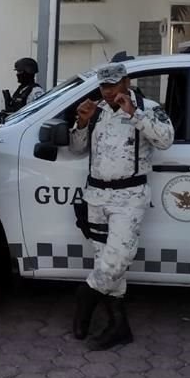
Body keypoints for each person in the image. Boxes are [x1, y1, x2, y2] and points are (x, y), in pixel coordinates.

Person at [67, 63, 174, 350]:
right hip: (97, 197)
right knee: (106, 262)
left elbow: (165, 140)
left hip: (129, 198)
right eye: (104, 86)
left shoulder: (147, 108)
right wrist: (82, 123)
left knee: (117, 259)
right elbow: (77, 149)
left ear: (126, 82)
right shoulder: (98, 110)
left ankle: (85, 296)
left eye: (114, 84)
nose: (109, 91)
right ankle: (119, 326)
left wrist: (134, 114)